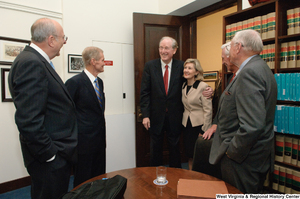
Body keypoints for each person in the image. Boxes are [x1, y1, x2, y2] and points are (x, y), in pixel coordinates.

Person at [8, 18, 77, 199]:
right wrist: (50, 155)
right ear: (51, 40)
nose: (64, 42)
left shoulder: (35, 60)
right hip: (48, 159)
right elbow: (28, 120)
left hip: (52, 155)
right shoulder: (31, 62)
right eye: (64, 38)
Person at [209, 29, 277, 193]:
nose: (229, 50)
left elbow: (252, 125)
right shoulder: (260, 67)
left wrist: (232, 153)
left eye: (231, 45)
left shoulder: (249, 73)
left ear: (238, 47)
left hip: (243, 161)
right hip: (253, 157)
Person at [192, 42, 239, 179]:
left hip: (233, 143)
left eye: (224, 58)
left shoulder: (245, 77)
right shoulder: (230, 77)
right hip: (220, 131)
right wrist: (215, 124)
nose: (223, 61)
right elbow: (221, 104)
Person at [65, 47, 106, 187]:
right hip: (83, 144)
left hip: (99, 141)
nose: (104, 63)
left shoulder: (99, 82)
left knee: (99, 178)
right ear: (93, 61)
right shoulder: (74, 83)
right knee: (83, 181)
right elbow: (66, 113)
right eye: (102, 60)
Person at [182, 58, 212, 170]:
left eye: (190, 68)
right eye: (185, 68)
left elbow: (208, 110)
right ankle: (191, 177)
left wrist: (204, 130)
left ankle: (200, 181)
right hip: (187, 125)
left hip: (199, 126)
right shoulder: (183, 86)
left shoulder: (203, 86)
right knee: (190, 154)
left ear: (197, 72)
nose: (186, 70)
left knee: (199, 156)